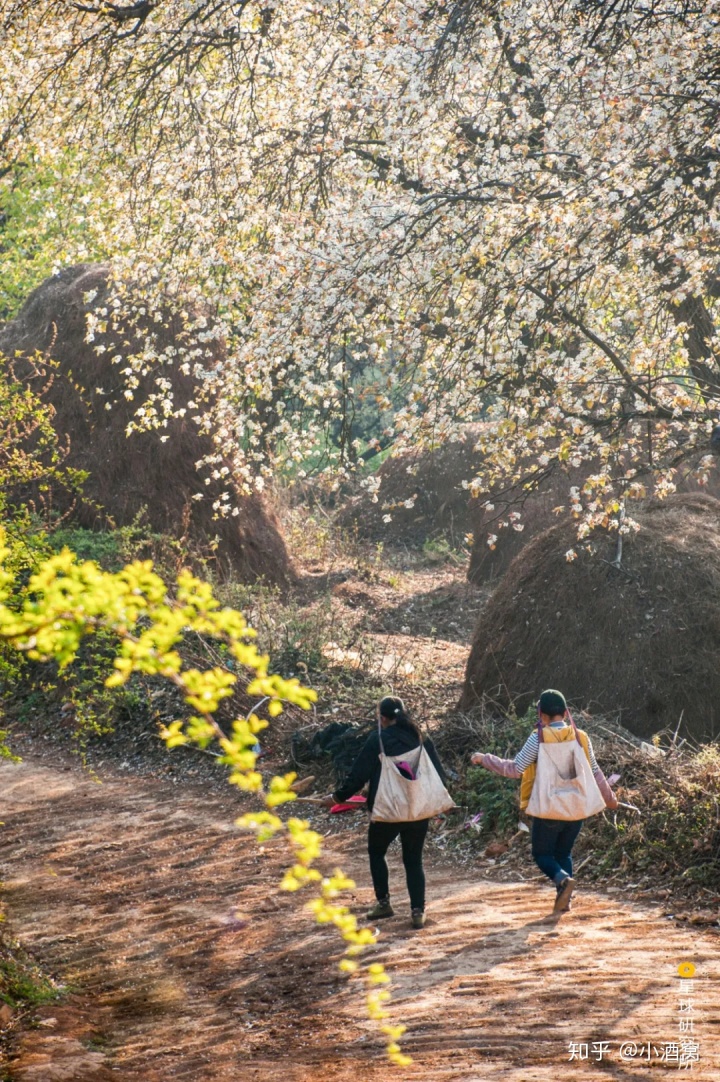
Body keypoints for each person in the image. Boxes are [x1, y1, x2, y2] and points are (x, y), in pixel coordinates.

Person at [470, 689, 618, 913]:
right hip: (576, 810)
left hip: (549, 809)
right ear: (566, 713)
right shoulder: (581, 737)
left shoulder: (538, 738)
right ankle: (564, 900)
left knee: (542, 854)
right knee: (563, 854)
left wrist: (484, 759)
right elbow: (596, 772)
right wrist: (611, 800)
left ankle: (562, 880)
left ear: (542, 715)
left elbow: (515, 769)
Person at [328, 696, 448, 930]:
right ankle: (417, 912)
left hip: (389, 810)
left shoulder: (378, 740)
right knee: (414, 860)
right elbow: (439, 776)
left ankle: (383, 903)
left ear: (382, 718)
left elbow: (358, 776)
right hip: (418, 810)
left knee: (376, 851)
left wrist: (336, 798)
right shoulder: (420, 737)